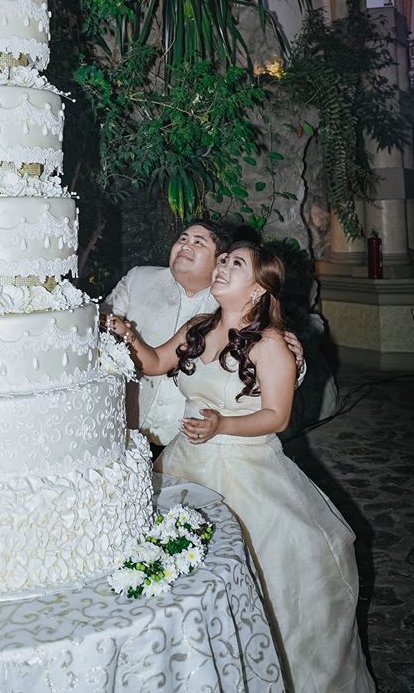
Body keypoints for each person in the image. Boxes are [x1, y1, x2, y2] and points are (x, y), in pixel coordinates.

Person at [107, 242, 374, 693]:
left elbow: (278, 416)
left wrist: (221, 423)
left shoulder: (270, 344)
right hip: (184, 463)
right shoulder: (197, 327)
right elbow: (153, 364)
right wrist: (129, 337)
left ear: (257, 288)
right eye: (224, 260)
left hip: (246, 468)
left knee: (264, 575)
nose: (222, 267)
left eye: (236, 264)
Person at [103, 221, 304, 451]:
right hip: (156, 438)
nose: (186, 245)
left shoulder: (254, 324)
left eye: (199, 242)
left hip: (225, 453)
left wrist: (296, 360)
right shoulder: (191, 321)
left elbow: (277, 409)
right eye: (182, 238)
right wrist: (125, 332)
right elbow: (155, 361)